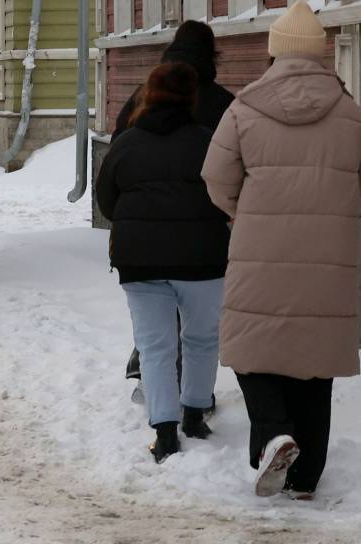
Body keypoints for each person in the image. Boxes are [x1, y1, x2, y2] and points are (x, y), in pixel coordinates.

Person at [202, 0, 361, 500]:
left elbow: (215, 179)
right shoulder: (351, 113)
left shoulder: (244, 108)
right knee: (314, 364)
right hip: (332, 259)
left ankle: (273, 433)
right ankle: (306, 478)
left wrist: (243, 213)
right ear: (322, 55)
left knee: (252, 350)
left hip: (259, 252)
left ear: (273, 53)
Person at [96, 62, 230, 464]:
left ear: (147, 96)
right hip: (203, 259)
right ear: (191, 98)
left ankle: (165, 433)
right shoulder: (210, 143)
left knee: (155, 346)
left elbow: (107, 201)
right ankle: (194, 414)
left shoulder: (125, 144)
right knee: (202, 338)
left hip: (140, 260)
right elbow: (227, 194)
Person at [114, 20, 235, 405]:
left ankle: (156, 389)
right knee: (200, 328)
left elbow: (114, 167)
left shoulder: (140, 98)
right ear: (211, 56)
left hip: (144, 241)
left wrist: (131, 214)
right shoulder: (225, 104)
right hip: (205, 236)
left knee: (156, 324)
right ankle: (195, 402)